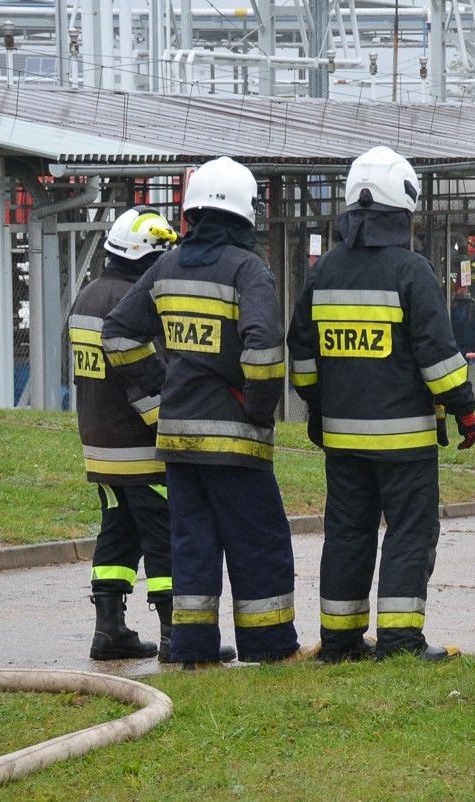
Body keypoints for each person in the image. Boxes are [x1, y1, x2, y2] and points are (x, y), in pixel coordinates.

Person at [103, 157, 299, 666]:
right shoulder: (247, 270)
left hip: (179, 442)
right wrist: (257, 409)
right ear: (244, 212)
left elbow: (118, 335)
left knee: (193, 549)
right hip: (235, 443)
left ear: (192, 212)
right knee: (259, 545)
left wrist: (162, 385)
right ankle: (270, 647)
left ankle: (193, 650)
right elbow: (262, 348)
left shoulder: (165, 267)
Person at [287, 145, 475, 663]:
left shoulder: (323, 271)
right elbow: (438, 357)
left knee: (347, 533)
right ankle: (399, 642)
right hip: (405, 442)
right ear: (404, 208)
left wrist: (317, 406)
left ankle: (340, 642)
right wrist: (465, 408)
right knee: (409, 533)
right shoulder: (411, 271)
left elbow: (301, 354)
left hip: (342, 441)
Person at [69, 206, 178, 661]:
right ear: (146, 256)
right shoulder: (134, 302)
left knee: (117, 535)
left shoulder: (87, 296)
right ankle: (177, 635)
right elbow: (142, 385)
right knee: (166, 538)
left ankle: (109, 631)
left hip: (100, 449)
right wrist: (175, 434)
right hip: (142, 450)